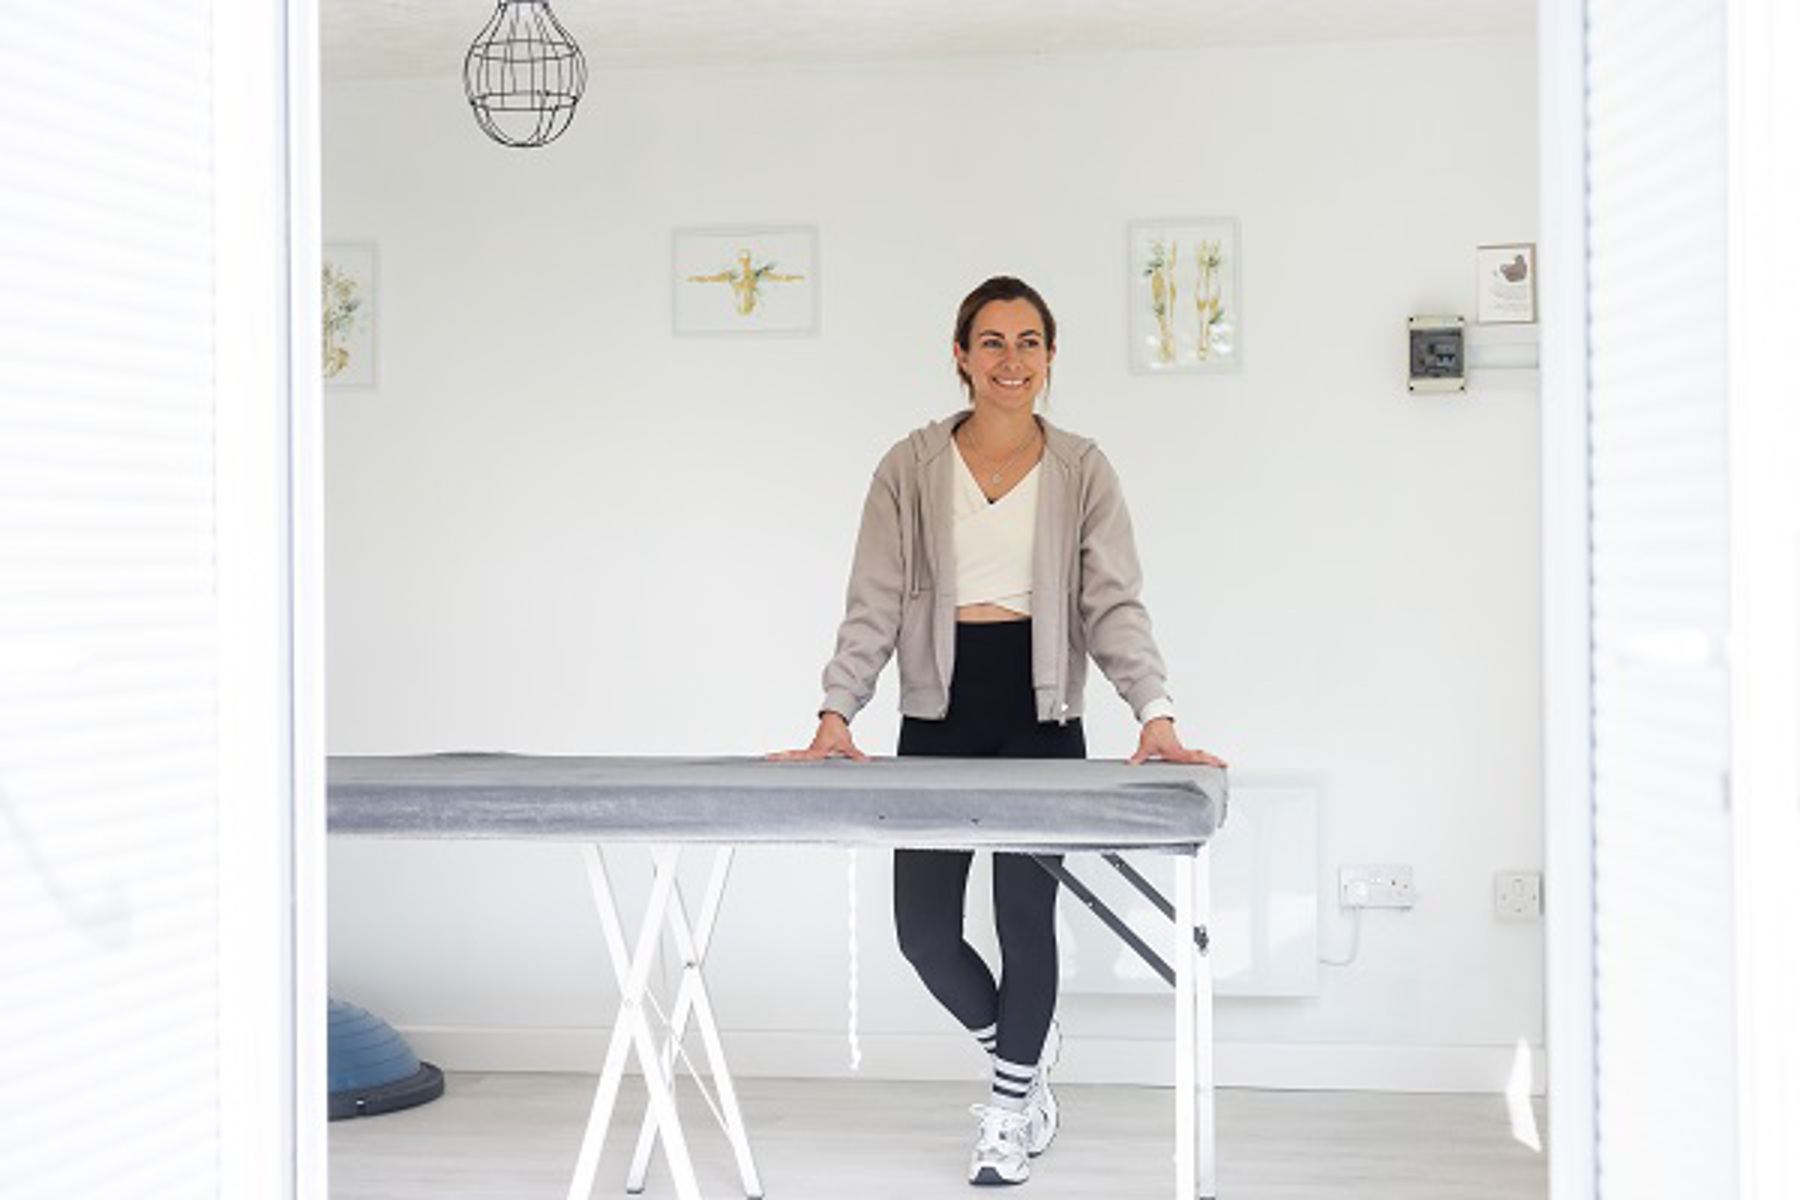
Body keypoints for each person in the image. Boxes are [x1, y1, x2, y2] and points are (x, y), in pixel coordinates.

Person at [774, 275, 1225, 1186]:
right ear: (960, 356)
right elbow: (869, 603)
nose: (1010, 360)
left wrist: (1156, 714)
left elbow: (1113, 606)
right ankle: (1021, 1043)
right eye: (991, 342)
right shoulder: (907, 467)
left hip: (1040, 712)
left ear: (1050, 358)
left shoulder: (1083, 469)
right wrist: (836, 713)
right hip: (939, 710)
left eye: (1028, 343)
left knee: (1025, 923)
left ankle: (1011, 1108)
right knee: (924, 934)